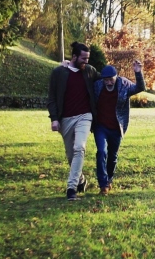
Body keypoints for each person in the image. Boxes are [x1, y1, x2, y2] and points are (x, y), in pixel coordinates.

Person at [47, 42, 100, 201]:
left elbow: (105, 79)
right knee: (71, 156)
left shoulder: (89, 71)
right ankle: (81, 180)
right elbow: (51, 99)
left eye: (88, 58)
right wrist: (54, 119)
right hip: (65, 120)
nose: (86, 61)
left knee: (79, 148)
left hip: (85, 116)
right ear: (74, 57)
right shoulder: (58, 73)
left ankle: (71, 189)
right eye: (83, 58)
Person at [94, 60, 146, 195]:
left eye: (111, 80)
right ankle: (103, 184)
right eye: (106, 80)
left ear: (116, 77)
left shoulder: (123, 84)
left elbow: (140, 88)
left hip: (117, 127)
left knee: (112, 156)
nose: (109, 83)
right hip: (101, 127)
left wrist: (138, 72)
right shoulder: (97, 86)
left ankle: (109, 179)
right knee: (101, 152)